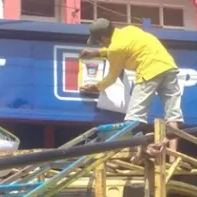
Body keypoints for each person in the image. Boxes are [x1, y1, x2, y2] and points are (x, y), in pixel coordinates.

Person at [78, 18, 184, 157]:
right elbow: (120, 47)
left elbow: (112, 77)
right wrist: (97, 53)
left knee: (134, 116)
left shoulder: (116, 49)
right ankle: (172, 156)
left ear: (103, 38)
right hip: (169, 66)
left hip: (149, 70)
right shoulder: (129, 30)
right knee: (172, 114)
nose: (99, 43)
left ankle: (146, 149)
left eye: (98, 41)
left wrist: (96, 87)